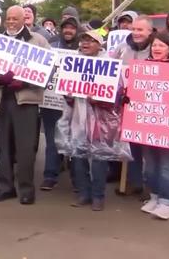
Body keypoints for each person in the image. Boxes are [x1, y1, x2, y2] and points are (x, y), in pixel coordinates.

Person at [57, 30, 130, 211]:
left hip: (101, 122)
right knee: (78, 157)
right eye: (83, 41)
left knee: (98, 159)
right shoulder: (73, 64)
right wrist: (69, 96)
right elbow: (66, 93)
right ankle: (83, 194)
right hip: (77, 119)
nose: (85, 44)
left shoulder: (110, 65)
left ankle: (98, 196)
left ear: (100, 44)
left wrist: (98, 99)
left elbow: (118, 95)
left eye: (91, 41)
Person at [0, 5, 50, 205]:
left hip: (26, 101)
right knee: (3, 147)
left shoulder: (38, 41)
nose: (11, 22)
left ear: (24, 19)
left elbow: (48, 72)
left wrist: (26, 82)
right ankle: (6, 187)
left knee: (25, 148)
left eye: (15, 18)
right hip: (3, 99)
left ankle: (26, 189)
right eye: (8, 19)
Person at [138, 32, 169, 219]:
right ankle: (155, 197)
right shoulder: (144, 68)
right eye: (154, 45)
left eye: (161, 46)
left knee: (167, 165)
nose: (156, 49)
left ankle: (166, 203)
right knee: (150, 165)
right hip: (147, 126)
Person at [111, 15, 154, 196]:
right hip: (127, 104)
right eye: (134, 29)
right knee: (131, 145)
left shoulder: (157, 48)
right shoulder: (122, 48)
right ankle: (135, 182)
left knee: (150, 149)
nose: (136, 33)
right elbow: (110, 68)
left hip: (151, 105)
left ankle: (152, 187)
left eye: (140, 30)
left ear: (150, 32)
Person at [41, 15, 80, 190]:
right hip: (52, 102)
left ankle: (77, 179)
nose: (68, 30)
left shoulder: (83, 47)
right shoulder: (52, 45)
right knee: (52, 141)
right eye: (65, 27)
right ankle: (50, 176)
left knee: (75, 141)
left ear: (76, 30)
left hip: (75, 104)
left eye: (72, 28)